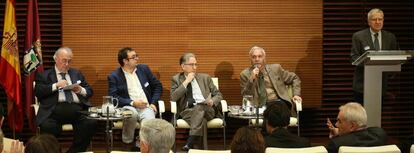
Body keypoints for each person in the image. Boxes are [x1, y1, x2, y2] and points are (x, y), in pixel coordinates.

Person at [35, 47, 97, 153]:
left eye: (69, 61)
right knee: (47, 126)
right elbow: (39, 92)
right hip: (53, 111)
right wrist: (56, 85)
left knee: (91, 122)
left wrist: (80, 89)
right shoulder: (44, 75)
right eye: (64, 60)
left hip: (77, 110)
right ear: (55, 59)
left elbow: (90, 91)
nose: (67, 64)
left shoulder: (76, 73)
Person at [108, 47, 163, 145]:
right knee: (131, 114)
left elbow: (158, 86)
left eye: (137, 56)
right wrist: (133, 103)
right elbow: (113, 97)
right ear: (125, 61)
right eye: (134, 57)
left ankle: (143, 144)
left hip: (146, 107)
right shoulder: (114, 76)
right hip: (128, 106)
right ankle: (127, 142)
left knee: (149, 122)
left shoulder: (144, 69)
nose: (137, 58)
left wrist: (153, 103)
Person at [170, 53, 223, 151]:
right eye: (191, 65)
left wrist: (212, 100)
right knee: (202, 122)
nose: (194, 67)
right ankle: (201, 150)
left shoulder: (205, 78)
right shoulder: (176, 79)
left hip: (208, 109)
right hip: (187, 111)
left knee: (200, 107)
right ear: (183, 66)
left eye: (196, 64)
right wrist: (186, 82)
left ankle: (190, 141)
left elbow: (218, 94)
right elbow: (173, 97)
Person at [350, 8, 399, 104]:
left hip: (382, 85)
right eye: (374, 19)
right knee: (362, 117)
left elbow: (396, 56)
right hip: (362, 86)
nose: (378, 22)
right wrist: (370, 65)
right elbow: (354, 57)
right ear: (369, 22)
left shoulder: (390, 37)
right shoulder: (358, 36)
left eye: (380, 19)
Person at [240, 46, 302, 116]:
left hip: (278, 104)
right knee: (269, 113)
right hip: (259, 107)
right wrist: (251, 79)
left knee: (275, 109)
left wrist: (296, 94)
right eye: (254, 57)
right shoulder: (245, 74)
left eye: (260, 56)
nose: (257, 59)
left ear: (264, 58)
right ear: (250, 59)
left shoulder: (276, 69)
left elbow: (294, 78)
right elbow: (246, 95)